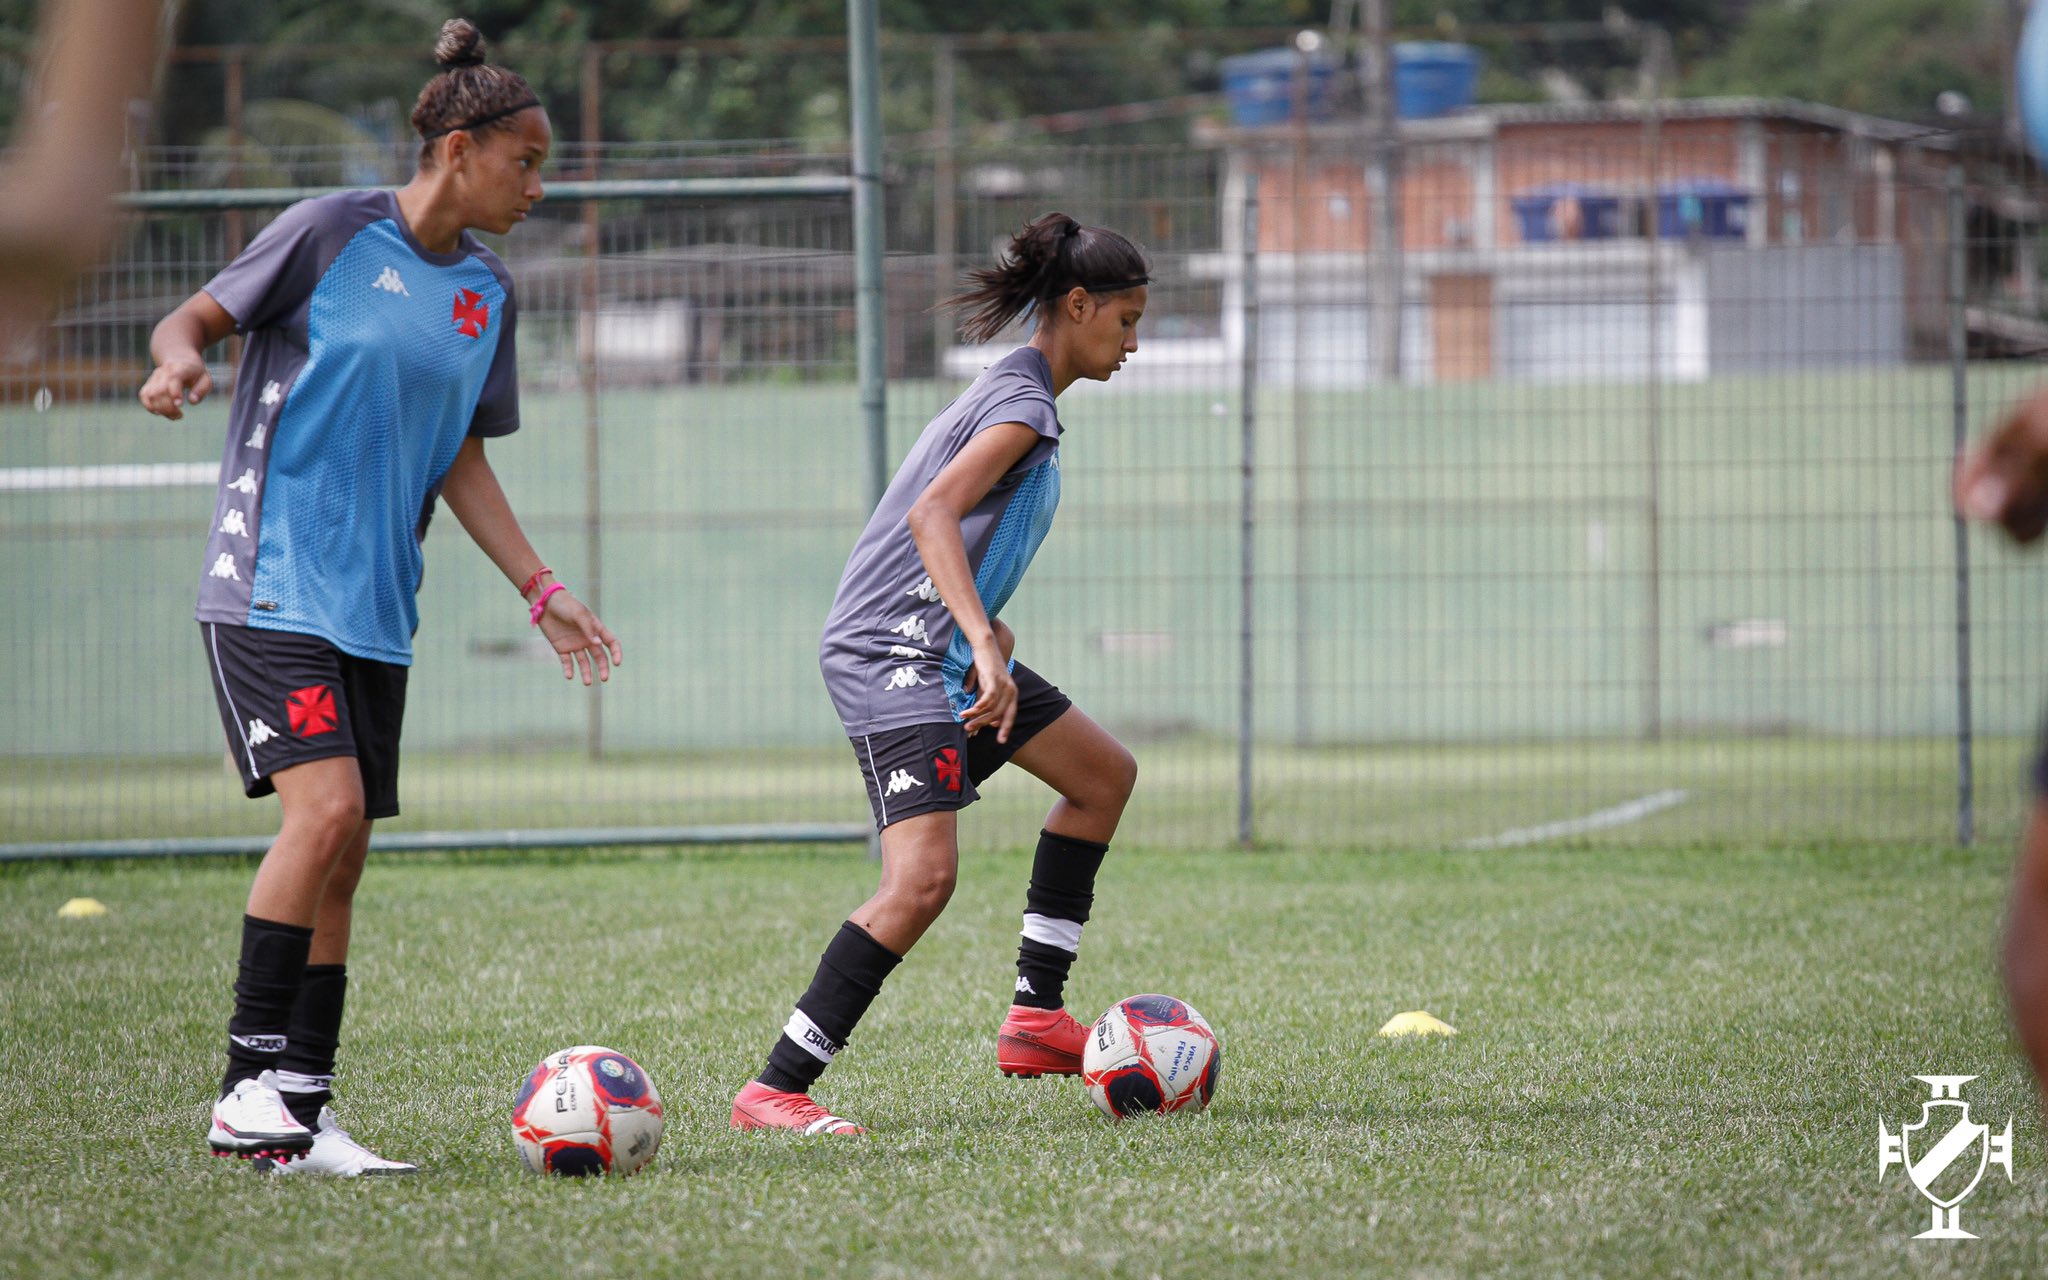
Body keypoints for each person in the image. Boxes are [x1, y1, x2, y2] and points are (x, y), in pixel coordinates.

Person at [137, 19, 620, 1176]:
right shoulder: (328, 232)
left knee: (344, 852)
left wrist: (541, 585)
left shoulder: (486, 292)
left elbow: (461, 456)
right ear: (457, 151)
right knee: (325, 814)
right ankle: (245, 1086)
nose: (537, 188)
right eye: (524, 163)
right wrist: (178, 359)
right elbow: (194, 317)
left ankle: (300, 1117)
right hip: (270, 581)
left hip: (375, 605)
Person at [730, 212, 1148, 1134]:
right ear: (1078, 305)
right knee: (921, 881)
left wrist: (983, 627)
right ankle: (776, 1089)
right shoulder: (1021, 406)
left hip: (944, 649)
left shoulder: (1021, 392)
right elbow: (932, 515)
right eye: (1126, 322)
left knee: (1101, 776)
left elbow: (951, 537)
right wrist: (982, 644)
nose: (1132, 344)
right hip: (894, 654)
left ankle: (1036, 1017)